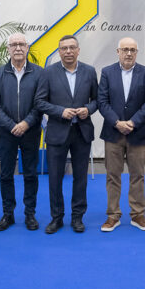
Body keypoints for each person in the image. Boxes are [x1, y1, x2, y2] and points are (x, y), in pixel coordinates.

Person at [36, 35, 98, 234]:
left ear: (78, 50)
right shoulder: (48, 73)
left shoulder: (89, 71)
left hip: (82, 131)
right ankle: (57, 217)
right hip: (57, 131)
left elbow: (97, 100)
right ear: (59, 51)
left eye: (72, 48)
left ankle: (77, 217)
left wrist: (88, 109)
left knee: (81, 177)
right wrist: (59, 111)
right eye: (64, 48)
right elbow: (39, 102)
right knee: (55, 178)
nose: (68, 51)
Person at [98, 37, 145, 232]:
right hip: (113, 133)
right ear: (118, 52)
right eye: (125, 49)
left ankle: (138, 215)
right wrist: (117, 122)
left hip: (137, 132)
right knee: (112, 176)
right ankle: (112, 216)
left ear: (137, 52)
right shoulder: (107, 73)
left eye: (132, 49)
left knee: (137, 175)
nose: (129, 53)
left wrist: (132, 122)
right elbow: (102, 102)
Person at [0, 33, 44, 232]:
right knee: (5, 174)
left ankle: (30, 214)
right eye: (14, 45)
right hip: (6, 132)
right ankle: (8, 214)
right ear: (8, 49)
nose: (18, 48)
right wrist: (12, 125)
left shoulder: (39, 73)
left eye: (21, 44)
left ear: (28, 47)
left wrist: (26, 123)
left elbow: (41, 103)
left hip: (31, 131)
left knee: (30, 173)